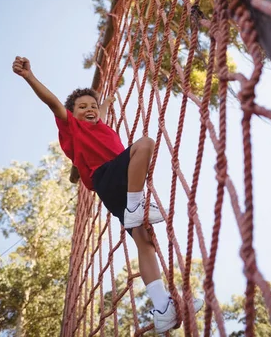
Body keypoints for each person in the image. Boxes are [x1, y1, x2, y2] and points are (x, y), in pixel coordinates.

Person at [12, 56, 203, 333]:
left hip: (119, 190)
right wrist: (29, 76)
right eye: (81, 107)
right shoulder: (72, 127)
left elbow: (97, 110)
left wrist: (105, 101)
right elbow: (53, 102)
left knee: (145, 241)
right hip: (109, 178)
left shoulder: (99, 122)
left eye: (92, 106)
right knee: (145, 144)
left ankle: (162, 308)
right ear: (71, 114)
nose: (89, 110)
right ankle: (136, 206)